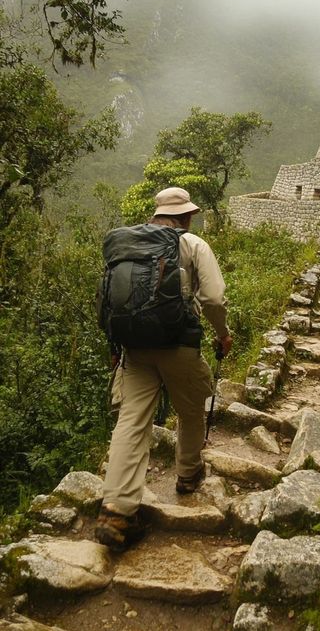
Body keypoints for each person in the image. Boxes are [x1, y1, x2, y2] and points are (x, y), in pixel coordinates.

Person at [95, 187, 232, 551]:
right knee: (190, 410)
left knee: (132, 419)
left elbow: (110, 300)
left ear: (156, 214)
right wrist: (223, 334)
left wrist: (114, 348)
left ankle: (116, 511)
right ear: (186, 216)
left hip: (134, 349)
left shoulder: (127, 244)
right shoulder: (193, 244)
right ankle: (187, 475)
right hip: (179, 346)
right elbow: (214, 298)